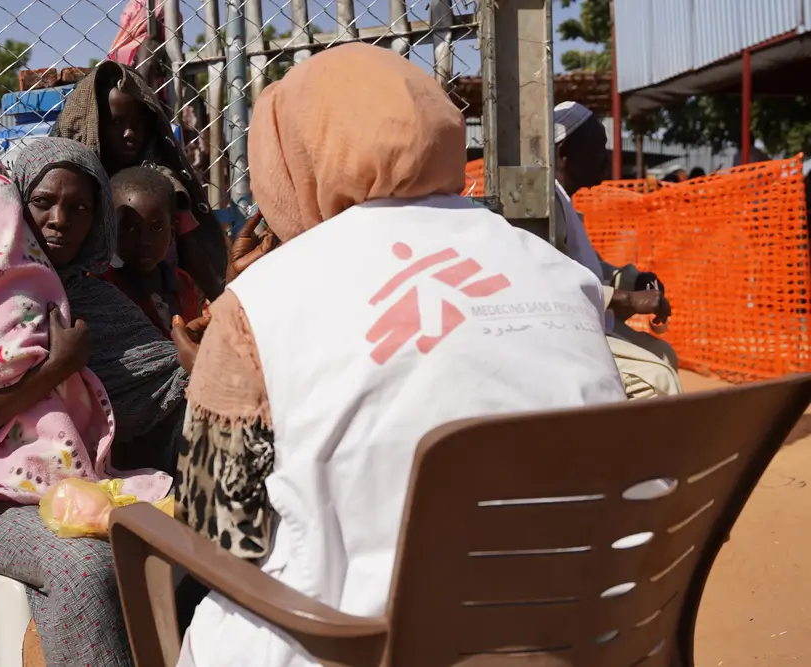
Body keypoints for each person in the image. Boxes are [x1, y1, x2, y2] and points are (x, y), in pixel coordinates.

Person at [172, 43, 627, 667]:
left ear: (289, 155)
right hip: (583, 634)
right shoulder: (556, 271)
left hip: (358, 646)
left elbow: (217, 534)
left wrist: (219, 375)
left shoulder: (259, 302)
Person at [0, 137, 188, 666]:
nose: (60, 220)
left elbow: (161, 386)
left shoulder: (97, 302)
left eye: (80, 208)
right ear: (14, 202)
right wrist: (53, 370)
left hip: (83, 484)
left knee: (199, 529)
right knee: (85, 568)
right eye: (43, 202)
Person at [51, 60, 227, 301]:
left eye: (138, 123)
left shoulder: (160, 182)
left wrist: (220, 302)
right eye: (117, 122)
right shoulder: (76, 183)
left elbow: (193, 253)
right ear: (93, 123)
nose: (130, 133)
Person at [554, 101, 680, 396]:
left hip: (587, 323)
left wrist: (634, 280)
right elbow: (555, 283)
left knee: (663, 355)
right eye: (598, 148)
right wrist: (627, 298)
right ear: (564, 154)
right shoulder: (547, 205)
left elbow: (589, 269)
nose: (606, 157)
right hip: (564, 331)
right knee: (656, 381)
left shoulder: (563, 201)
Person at [99, 165, 203, 338]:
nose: (144, 241)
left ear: (172, 233)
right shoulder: (103, 286)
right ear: (110, 231)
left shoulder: (182, 283)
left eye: (156, 228)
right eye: (130, 228)